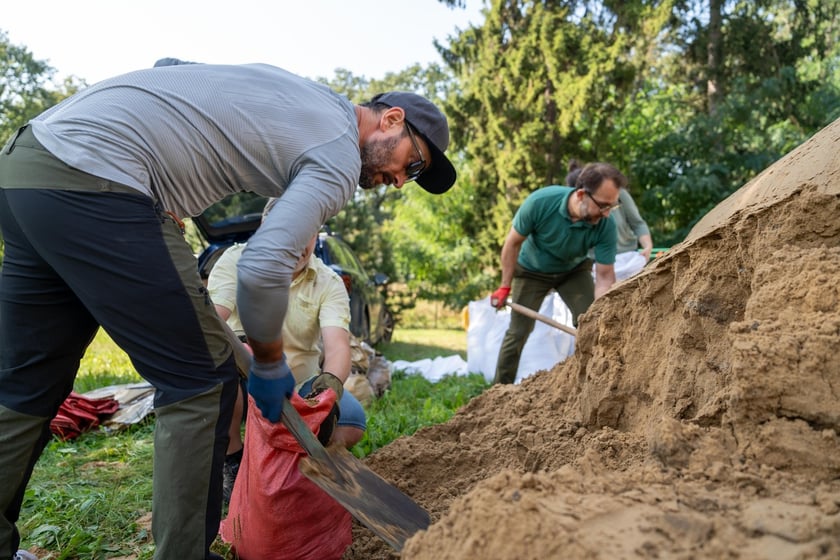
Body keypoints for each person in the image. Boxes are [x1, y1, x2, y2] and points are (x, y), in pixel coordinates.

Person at [0, 59, 456, 560]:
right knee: (204, 383)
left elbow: (170, 67)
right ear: (391, 119)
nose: (400, 181)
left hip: (27, 166)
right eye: (413, 165)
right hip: (99, 179)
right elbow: (260, 266)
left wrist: (170, 194)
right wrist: (266, 360)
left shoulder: (298, 91)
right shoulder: (338, 157)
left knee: (26, 381)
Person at [208, 199, 365, 503]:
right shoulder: (235, 261)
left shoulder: (328, 281)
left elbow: (337, 346)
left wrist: (329, 386)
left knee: (352, 420)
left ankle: (293, 458)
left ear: (315, 236)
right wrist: (240, 343)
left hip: (300, 387)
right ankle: (233, 459)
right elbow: (214, 320)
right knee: (221, 374)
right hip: (246, 379)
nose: (296, 244)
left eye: (304, 234)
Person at [489, 162, 625, 385]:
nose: (607, 214)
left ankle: (590, 384)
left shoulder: (605, 225)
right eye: (603, 206)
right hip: (532, 270)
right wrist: (505, 286)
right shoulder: (541, 203)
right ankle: (498, 391)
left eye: (612, 206)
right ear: (581, 195)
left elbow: (604, 276)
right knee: (518, 332)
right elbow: (512, 244)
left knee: (590, 323)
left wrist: (600, 311)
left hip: (572, 271)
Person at [566, 160, 653, 280]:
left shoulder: (617, 194)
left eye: (610, 206)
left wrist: (647, 246)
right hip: (596, 264)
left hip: (627, 257)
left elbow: (637, 223)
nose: (606, 214)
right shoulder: (573, 211)